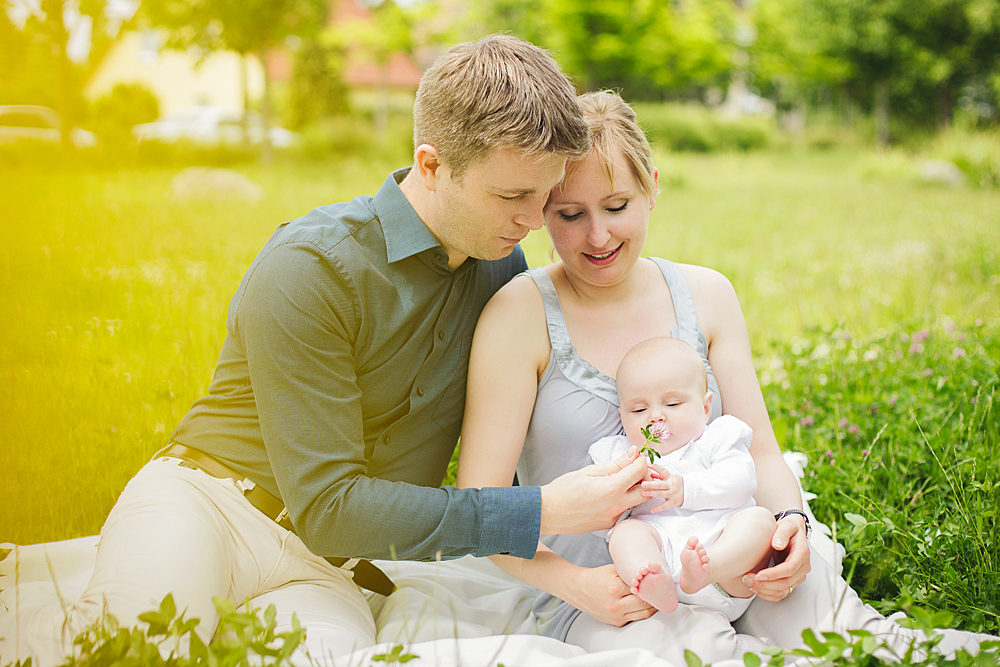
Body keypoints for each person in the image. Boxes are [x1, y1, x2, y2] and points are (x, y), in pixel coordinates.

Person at [0, 37, 657, 667]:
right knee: (135, 648)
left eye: (543, 196)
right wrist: (540, 510)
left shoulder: (501, 270)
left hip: (333, 566)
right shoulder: (311, 265)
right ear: (431, 165)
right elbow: (331, 504)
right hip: (211, 505)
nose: (533, 219)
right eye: (512, 196)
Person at [456, 90, 994, 665]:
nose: (598, 236)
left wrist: (792, 529)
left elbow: (760, 450)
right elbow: (478, 507)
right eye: (570, 215)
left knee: (847, 642)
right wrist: (575, 585)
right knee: (689, 653)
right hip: (607, 587)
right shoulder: (521, 313)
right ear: (541, 210)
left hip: (732, 552)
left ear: (652, 188)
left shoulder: (705, 295)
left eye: (616, 207)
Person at [591, 336, 775, 619]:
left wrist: (687, 489)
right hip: (662, 551)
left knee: (760, 521)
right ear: (623, 416)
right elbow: (598, 517)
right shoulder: (623, 457)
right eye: (639, 410)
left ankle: (707, 568)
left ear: (705, 407)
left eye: (673, 404)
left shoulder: (716, 439)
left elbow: (742, 481)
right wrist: (626, 492)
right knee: (625, 534)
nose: (655, 418)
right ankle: (651, 578)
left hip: (725, 564)